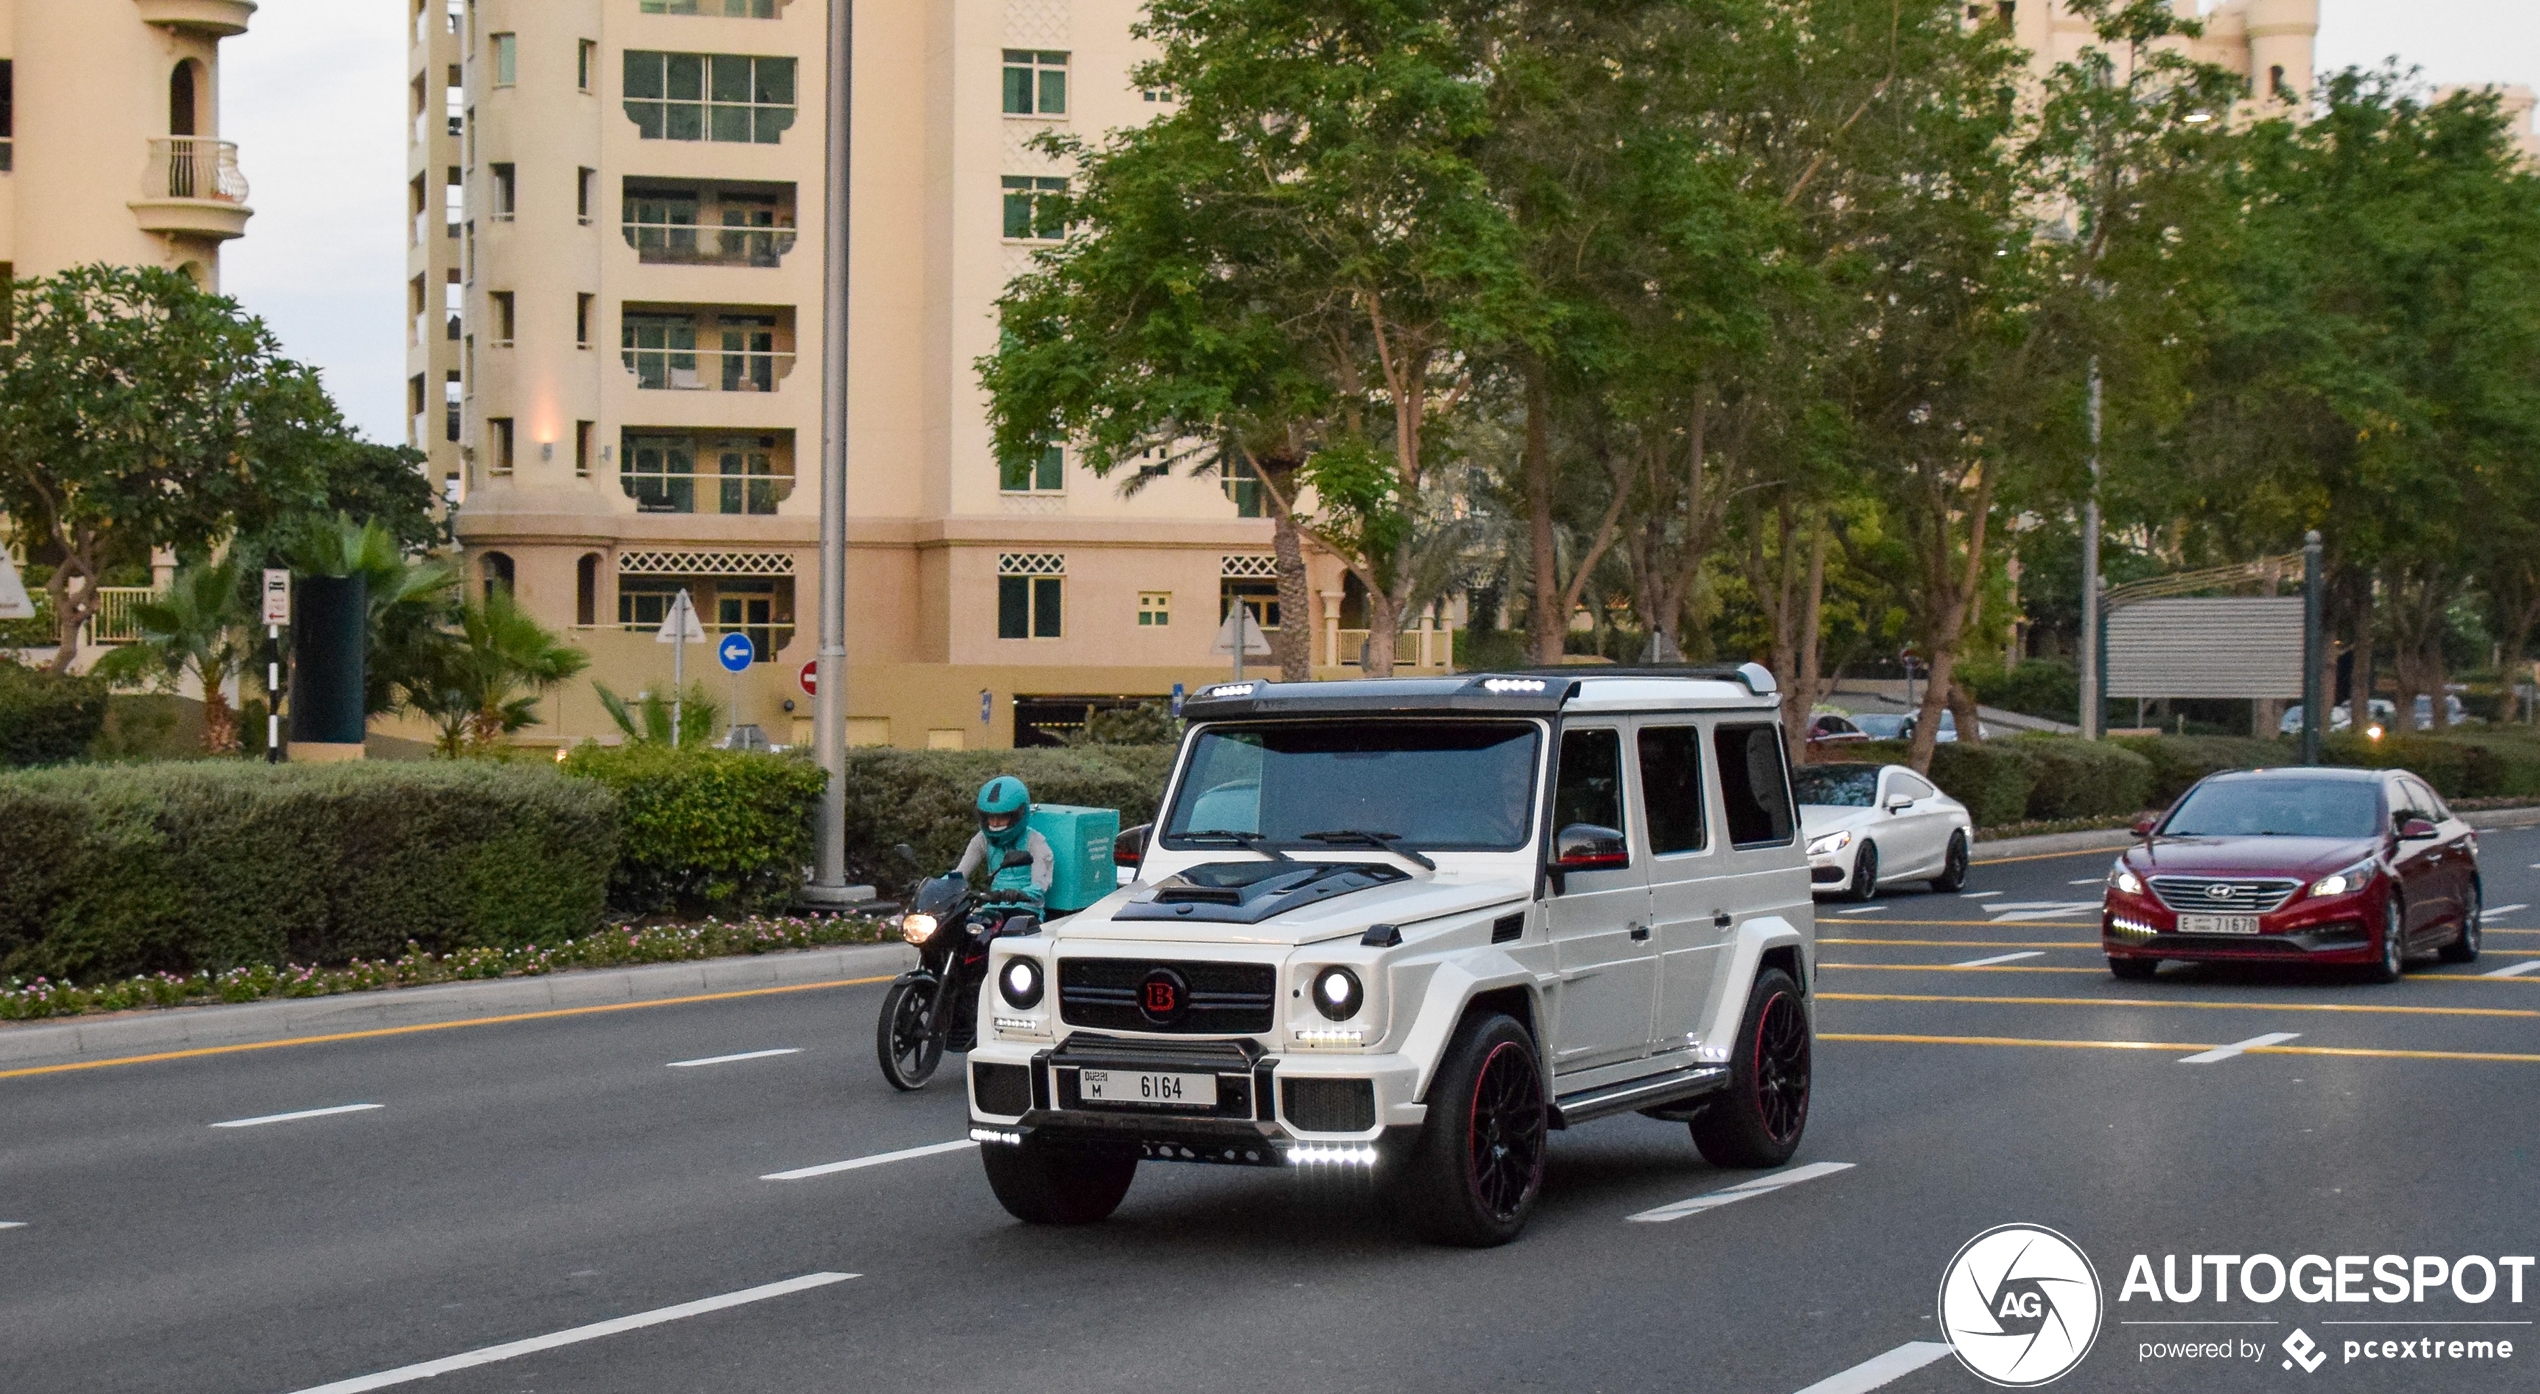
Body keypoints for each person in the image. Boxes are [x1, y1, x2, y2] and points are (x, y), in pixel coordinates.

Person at [955, 775, 1053, 912]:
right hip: (992, 906)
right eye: (990, 817)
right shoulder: (983, 838)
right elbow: (960, 873)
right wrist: (937, 886)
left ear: (1019, 814)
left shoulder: (1035, 841)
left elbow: (1040, 885)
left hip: (1026, 909)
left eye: (1002, 817)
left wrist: (1018, 894)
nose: (994, 823)